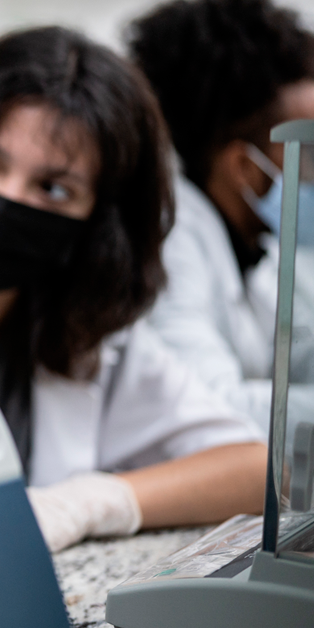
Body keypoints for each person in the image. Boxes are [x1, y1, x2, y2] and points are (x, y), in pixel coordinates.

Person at [0, 26, 266, 552]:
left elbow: (252, 467)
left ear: (102, 223)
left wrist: (88, 502)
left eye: (53, 188)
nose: (5, 200)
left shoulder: (94, 349)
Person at [128, 0, 314, 432]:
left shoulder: (257, 246)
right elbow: (212, 409)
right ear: (244, 169)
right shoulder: (169, 243)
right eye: (310, 154)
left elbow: (300, 355)